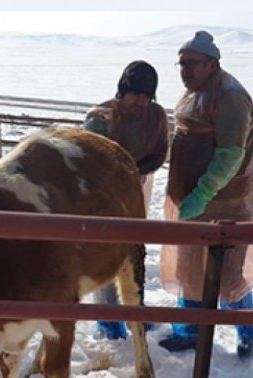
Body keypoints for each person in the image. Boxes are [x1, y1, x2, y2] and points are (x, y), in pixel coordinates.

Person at [159, 30, 253, 360]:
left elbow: (230, 154)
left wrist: (202, 193)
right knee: (189, 267)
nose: (185, 70)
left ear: (212, 63)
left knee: (228, 273)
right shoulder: (194, 93)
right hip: (192, 200)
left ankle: (247, 332)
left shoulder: (229, 96)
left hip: (225, 201)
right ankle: (188, 332)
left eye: (192, 63)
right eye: (182, 64)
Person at [83, 60, 169, 340]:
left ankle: (135, 312)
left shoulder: (156, 116)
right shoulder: (101, 118)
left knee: (134, 251)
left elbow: (159, 152)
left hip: (136, 190)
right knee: (107, 254)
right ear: (123, 91)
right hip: (102, 195)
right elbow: (90, 161)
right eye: (136, 94)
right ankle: (108, 322)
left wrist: (138, 171)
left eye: (147, 95)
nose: (141, 101)